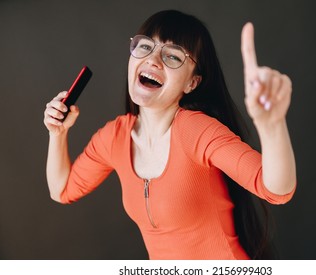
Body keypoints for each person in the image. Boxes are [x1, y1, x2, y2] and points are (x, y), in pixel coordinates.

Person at [43, 10, 296, 260]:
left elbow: (276, 189)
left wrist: (272, 125)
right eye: (145, 47)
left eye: (173, 56)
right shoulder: (114, 137)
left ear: (192, 83)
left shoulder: (197, 132)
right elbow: (62, 190)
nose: (153, 60)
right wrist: (58, 133)